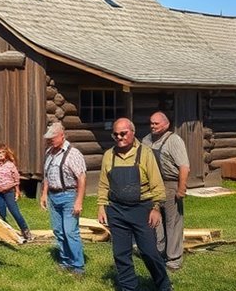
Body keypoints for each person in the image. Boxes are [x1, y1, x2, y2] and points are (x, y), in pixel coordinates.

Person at [98, 118, 171, 291]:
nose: (119, 137)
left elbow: (157, 184)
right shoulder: (109, 155)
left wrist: (156, 208)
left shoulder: (145, 153)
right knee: (120, 254)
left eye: (123, 133)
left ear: (133, 132)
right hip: (116, 210)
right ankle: (129, 287)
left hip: (142, 210)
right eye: (115, 134)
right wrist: (101, 206)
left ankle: (163, 285)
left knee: (149, 252)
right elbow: (103, 184)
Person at [142, 111, 190, 271]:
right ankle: (159, 253)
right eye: (151, 123)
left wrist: (181, 190)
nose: (153, 126)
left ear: (166, 124)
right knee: (155, 222)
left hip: (171, 185)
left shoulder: (174, 140)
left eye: (156, 123)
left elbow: (184, 167)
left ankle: (174, 259)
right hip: (153, 187)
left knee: (172, 222)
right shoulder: (146, 141)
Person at [38, 122, 87, 277]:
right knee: (59, 231)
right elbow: (47, 176)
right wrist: (44, 194)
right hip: (53, 196)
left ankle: (78, 266)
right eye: (48, 138)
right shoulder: (49, 152)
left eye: (52, 138)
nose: (50, 140)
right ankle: (65, 262)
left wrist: (79, 201)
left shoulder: (73, 154)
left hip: (69, 196)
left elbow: (81, 178)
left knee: (70, 231)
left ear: (62, 136)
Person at [0, 143, 32, 241]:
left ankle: (25, 230)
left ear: (6, 153)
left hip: (9, 192)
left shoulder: (10, 165)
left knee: (15, 211)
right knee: (1, 212)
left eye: (1, 153)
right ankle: (6, 232)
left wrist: (17, 191)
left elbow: (16, 179)